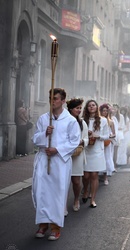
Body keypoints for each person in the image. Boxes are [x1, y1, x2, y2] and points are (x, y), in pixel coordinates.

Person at [32, 88, 80, 241]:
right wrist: (45, 133)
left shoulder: (71, 120)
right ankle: (42, 224)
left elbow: (74, 142)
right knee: (41, 192)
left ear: (63, 100)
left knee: (57, 193)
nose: (53, 101)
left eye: (56, 98)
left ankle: (55, 227)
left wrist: (57, 150)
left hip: (60, 162)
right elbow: (35, 139)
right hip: (43, 159)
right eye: (51, 98)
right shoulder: (43, 118)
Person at [82, 100, 109, 208]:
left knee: (94, 175)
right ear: (87, 108)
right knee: (86, 175)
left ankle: (93, 199)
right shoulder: (83, 120)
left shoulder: (103, 120)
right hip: (86, 149)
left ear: (96, 107)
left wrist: (98, 136)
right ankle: (85, 191)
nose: (91, 107)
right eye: (89, 105)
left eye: (93, 105)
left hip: (97, 150)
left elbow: (107, 135)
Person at [67, 98, 89, 212]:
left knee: (76, 181)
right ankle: (62, 205)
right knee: (64, 182)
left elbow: (86, 138)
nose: (79, 110)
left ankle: (76, 199)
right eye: (77, 108)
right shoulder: (64, 121)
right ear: (71, 109)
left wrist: (81, 141)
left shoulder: (82, 122)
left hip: (77, 154)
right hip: (65, 154)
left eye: (80, 108)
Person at [100, 103, 116, 185]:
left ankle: (105, 177)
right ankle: (99, 175)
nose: (105, 112)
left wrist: (110, 136)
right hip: (99, 142)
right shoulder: (98, 120)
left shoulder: (111, 122)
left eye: (106, 111)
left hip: (107, 143)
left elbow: (114, 133)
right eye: (103, 111)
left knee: (106, 158)